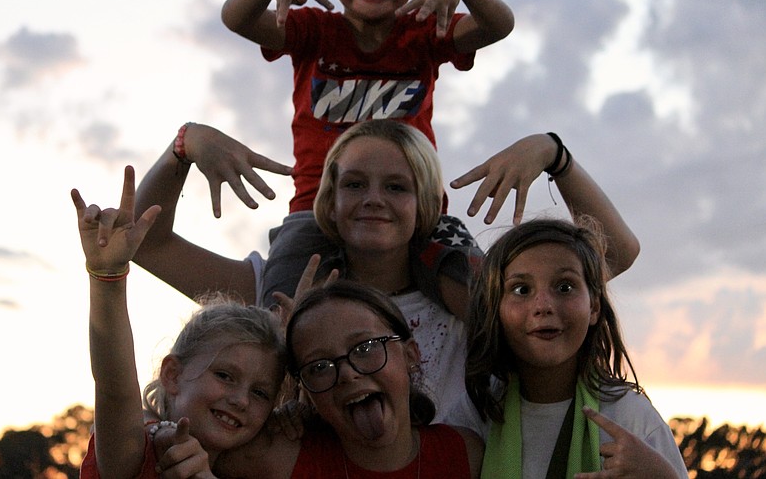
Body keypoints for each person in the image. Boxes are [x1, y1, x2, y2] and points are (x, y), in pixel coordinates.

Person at [133, 119, 640, 437]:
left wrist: (555, 155)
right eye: (355, 184)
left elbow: (612, 254)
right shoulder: (285, 287)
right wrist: (185, 145)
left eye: (395, 186)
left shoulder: (470, 293)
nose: (373, 198)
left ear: (426, 203)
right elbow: (145, 242)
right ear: (328, 200)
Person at [219, 0, 515, 307]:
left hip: (417, 211)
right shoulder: (313, 31)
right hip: (317, 206)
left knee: (491, 303)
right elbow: (235, 18)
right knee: (282, 308)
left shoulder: (425, 30)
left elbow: (499, 25)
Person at [71, 167, 287, 479]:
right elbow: (114, 388)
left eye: (260, 393)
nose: (240, 400)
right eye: (225, 375)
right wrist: (108, 278)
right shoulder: (139, 454)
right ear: (172, 374)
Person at [464, 218, 689, 478]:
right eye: (521, 289)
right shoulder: (477, 411)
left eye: (564, 287)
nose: (543, 305)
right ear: (496, 309)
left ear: (594, 306)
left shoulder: (629, 418)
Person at [206, 280, 485, 478]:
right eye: (319, 366)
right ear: (305, 389)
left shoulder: (466, 454)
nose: (348, 373)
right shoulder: (276, 459)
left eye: (365, 348)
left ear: (411, 355)